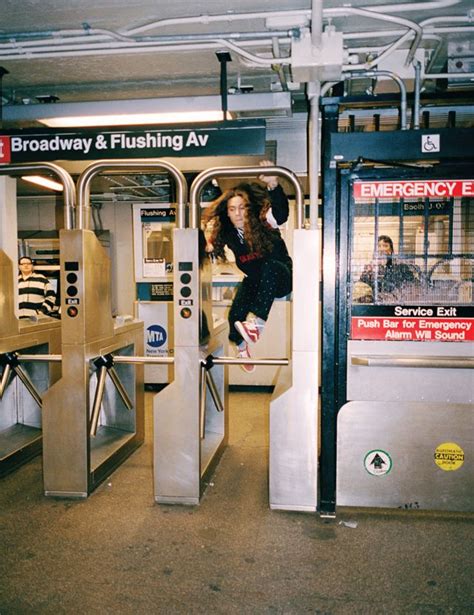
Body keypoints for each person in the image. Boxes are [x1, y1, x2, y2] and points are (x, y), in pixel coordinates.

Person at [202, 161, 292, 373]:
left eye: (242, 208)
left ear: (249, 209)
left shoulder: (264, 222)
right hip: (256, 280)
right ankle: (243, 350)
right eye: (233, 209)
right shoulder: (228, 232)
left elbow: (281, 213)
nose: (238, 214)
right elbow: (210, 247)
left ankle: (257, 325)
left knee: (270, 266)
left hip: (281, 276)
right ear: (228, 213)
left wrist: (274, 184)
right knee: (235, 317)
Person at [359, 235, 416, 299]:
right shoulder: (371, 268)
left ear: (391, 250)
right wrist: (368, 272)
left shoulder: (401, 267)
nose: (382, 249)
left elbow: (410, 288)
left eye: (385, 246)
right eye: (379, 246)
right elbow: (362, 286)